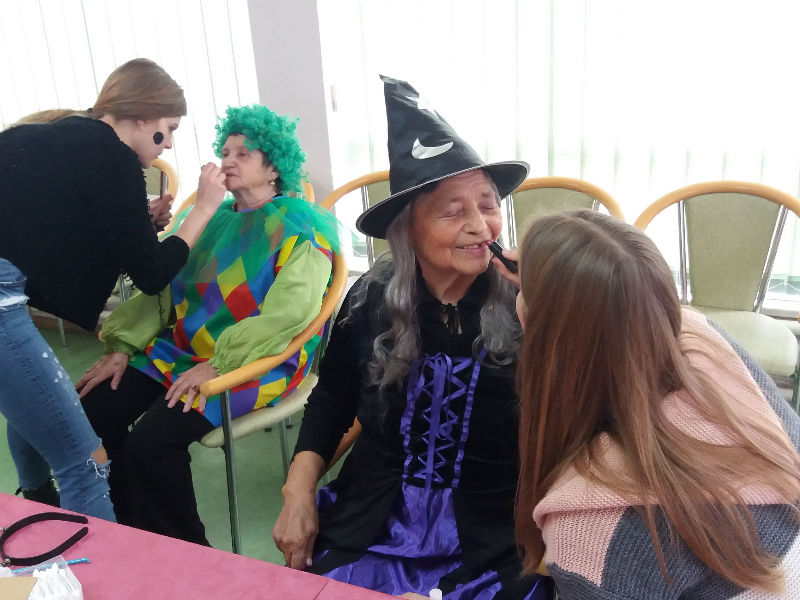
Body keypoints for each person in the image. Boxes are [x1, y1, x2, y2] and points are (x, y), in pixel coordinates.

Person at [273, 76, 550, 600]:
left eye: (488, 205)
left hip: (493, 536)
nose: (481, 226)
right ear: (408, 228)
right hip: (373, 521)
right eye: (453, 211)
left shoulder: (527, 301)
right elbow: (332, 399)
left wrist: (551, 308)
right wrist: (298, 491)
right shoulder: (371, 299)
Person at [77, 104, 340, 545]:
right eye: (225, 152)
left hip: (258, 361)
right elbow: (162, 290)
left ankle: (187, 549)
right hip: (182, 350)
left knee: (152, 444)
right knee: (94, 409)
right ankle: (129, 524)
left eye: (243, 154)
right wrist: (123, 345)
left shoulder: (301, 229)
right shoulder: (210, 218)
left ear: (274, 167)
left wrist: (220, 364)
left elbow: (287, 318)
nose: (228, 161)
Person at [510, 210, 800, 598]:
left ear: (544, 332)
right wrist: (563, 288)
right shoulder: (702, 336)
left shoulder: (589, 531)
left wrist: (553, 294)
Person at [0, 58, 226, 521]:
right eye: (168, 129)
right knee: (86, 463)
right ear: (141, 117)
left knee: (33, 403)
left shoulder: (55, 135)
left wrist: (138, 227)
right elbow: (152, 275)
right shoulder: (113, 157)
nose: (168, 143)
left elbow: (52, 233)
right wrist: (203, 210)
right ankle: (96, 562)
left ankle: (37, 501)